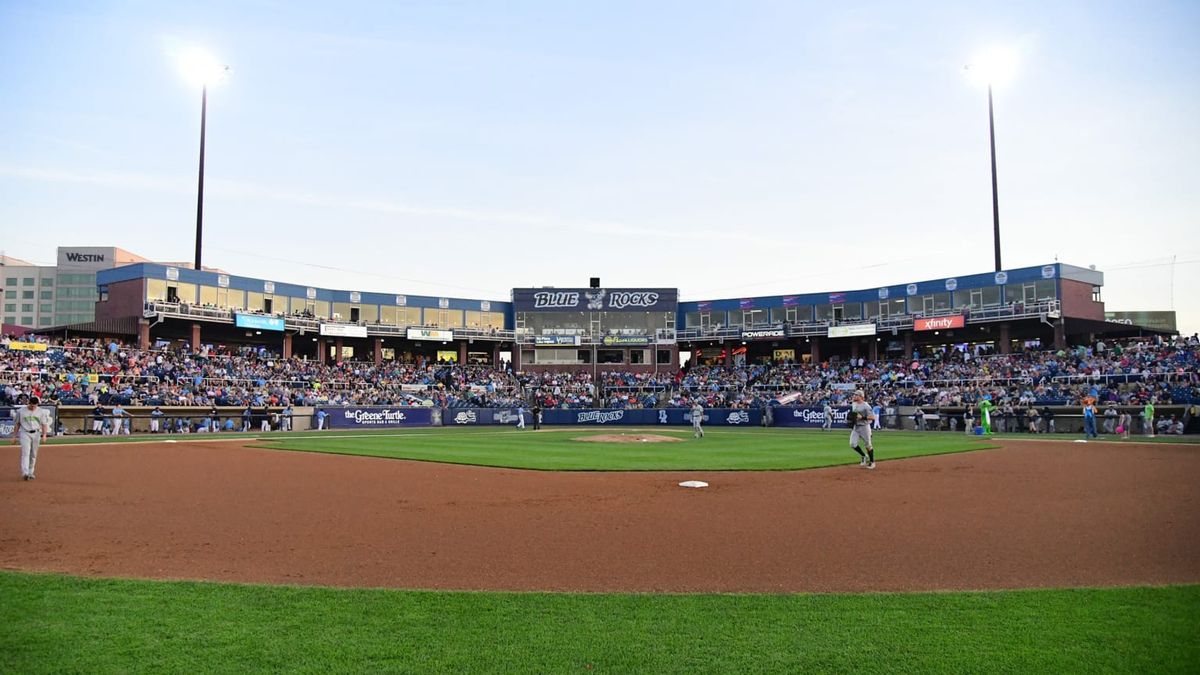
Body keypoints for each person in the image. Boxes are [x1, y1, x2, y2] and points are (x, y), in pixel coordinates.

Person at [12, 396, 52, 480]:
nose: (33, 407)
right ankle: (25, 473)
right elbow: (17, 424)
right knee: (26, 453)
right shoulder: (21, 411)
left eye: (35, 405)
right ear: (28, 403)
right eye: (32, 405)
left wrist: (44, 435)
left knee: (33, 454)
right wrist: (14, 436)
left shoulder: (40, 412)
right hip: (25, 433)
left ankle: (31, 472)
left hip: (36, 433)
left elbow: (44, 424)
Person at [848, 390, 876, 469]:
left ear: (861, 396)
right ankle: (864, 456)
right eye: (854, 395)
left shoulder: (866, 406)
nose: (854, 396)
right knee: (852, 444)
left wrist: (862, 417)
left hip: (864, 427)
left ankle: (872, 462)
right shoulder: (854, 403)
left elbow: (873, 417)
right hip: (856, 427)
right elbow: (854, 415)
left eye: (856, 395)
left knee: (868, 445)